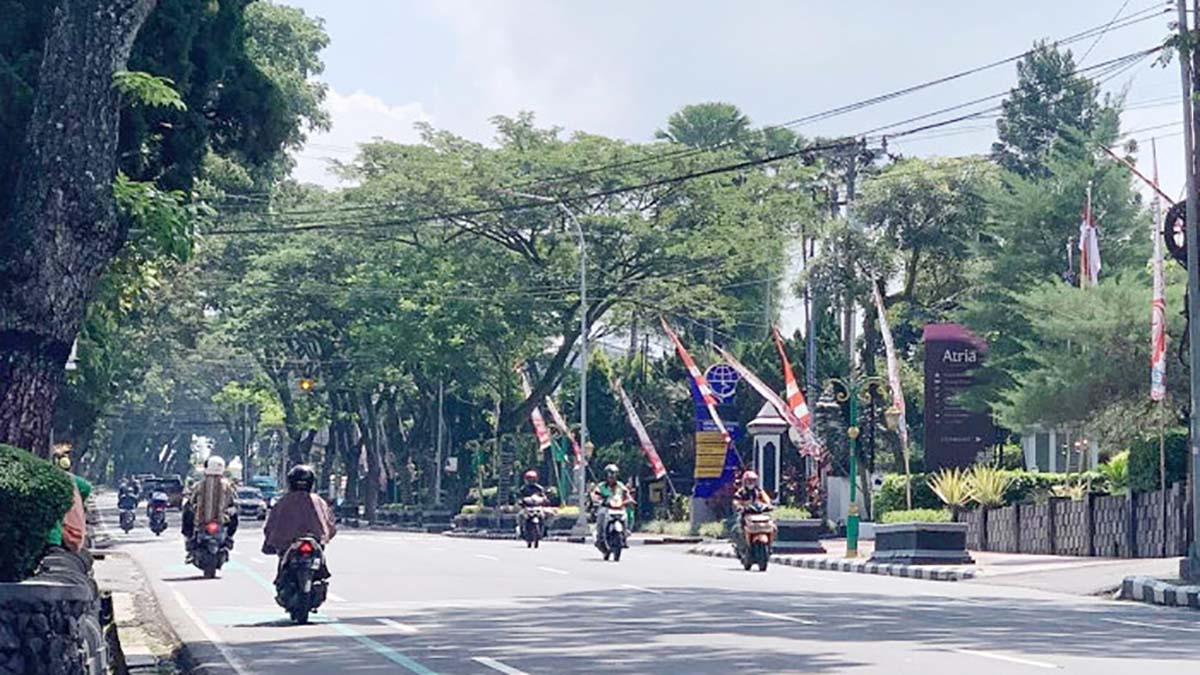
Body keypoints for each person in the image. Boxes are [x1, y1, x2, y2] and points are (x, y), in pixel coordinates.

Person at [262, 465, 336, 592]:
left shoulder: (284, 501)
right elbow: (330, 525)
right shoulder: (318, 501)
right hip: (313, 542)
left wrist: (270, 542)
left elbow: (271, 525)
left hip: (291, 544)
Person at [181, 456, 237, 560]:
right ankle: (229, 537)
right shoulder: (227, 485)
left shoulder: (200, 484)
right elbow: (232, 501)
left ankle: (189, 538)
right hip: (221, 520)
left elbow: (192, 500)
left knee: (187, 513)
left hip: (201, 521)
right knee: (234, 517)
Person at [590, 464, 632, 551]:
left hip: (618, 507)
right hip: (605, 507)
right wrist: (598, 500)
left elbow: (626, 494)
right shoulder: (601, 486)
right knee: (600, 517)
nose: (612, 477)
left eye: (614, 474)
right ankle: (600, 538)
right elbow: (595, 494)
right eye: (610, 474)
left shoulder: (620, 485)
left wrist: (629, 499)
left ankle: (625, 534)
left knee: (627, 515)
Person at [730, 470, 772, 549]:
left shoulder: (758, 491)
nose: (751, 482)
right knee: (738, 527)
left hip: (759, 514)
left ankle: (770, 546)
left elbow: (766, 498)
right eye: (749, 480)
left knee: (773, 527)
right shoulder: (741, 492)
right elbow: (736, 501)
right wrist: (739, 506)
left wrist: (769, 505)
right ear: (744, 481)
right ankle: (743, 545)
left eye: (753, 480)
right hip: (746, 514)